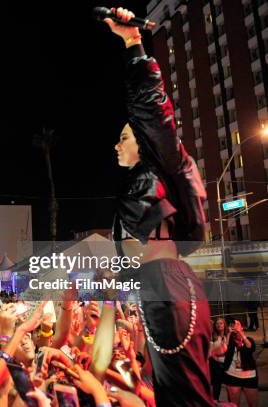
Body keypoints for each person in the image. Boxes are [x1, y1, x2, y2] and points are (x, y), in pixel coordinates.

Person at [103, 7, 213, 406]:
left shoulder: (159, 160)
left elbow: (152, 109)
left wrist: (133, 43)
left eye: (124, 137)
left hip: (166, 286)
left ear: (145, 142)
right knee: (180, 393)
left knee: (185, 399)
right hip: (166, 284)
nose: (117, 145)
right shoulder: (153, 178)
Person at [223, 320, 258, 407]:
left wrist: (241, 334)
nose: (235, 326)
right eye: (233, 324)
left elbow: (250, 347)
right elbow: (224, 349)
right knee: (234, 405)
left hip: (249, 376)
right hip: (232, 375)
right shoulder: (229, 340)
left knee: (253, 404)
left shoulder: (248, 339)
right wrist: (228, 334)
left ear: (242, 327)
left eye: (237, 324)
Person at [211, 317, 228, 401]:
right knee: (216, 385)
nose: (219, 325)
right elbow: (217, 351)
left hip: (227, 363)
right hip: (217, 364)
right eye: (217, 323)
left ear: (225, 325)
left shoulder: (227, 335)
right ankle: (215, 400)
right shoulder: (213, 337)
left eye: (221, 323)